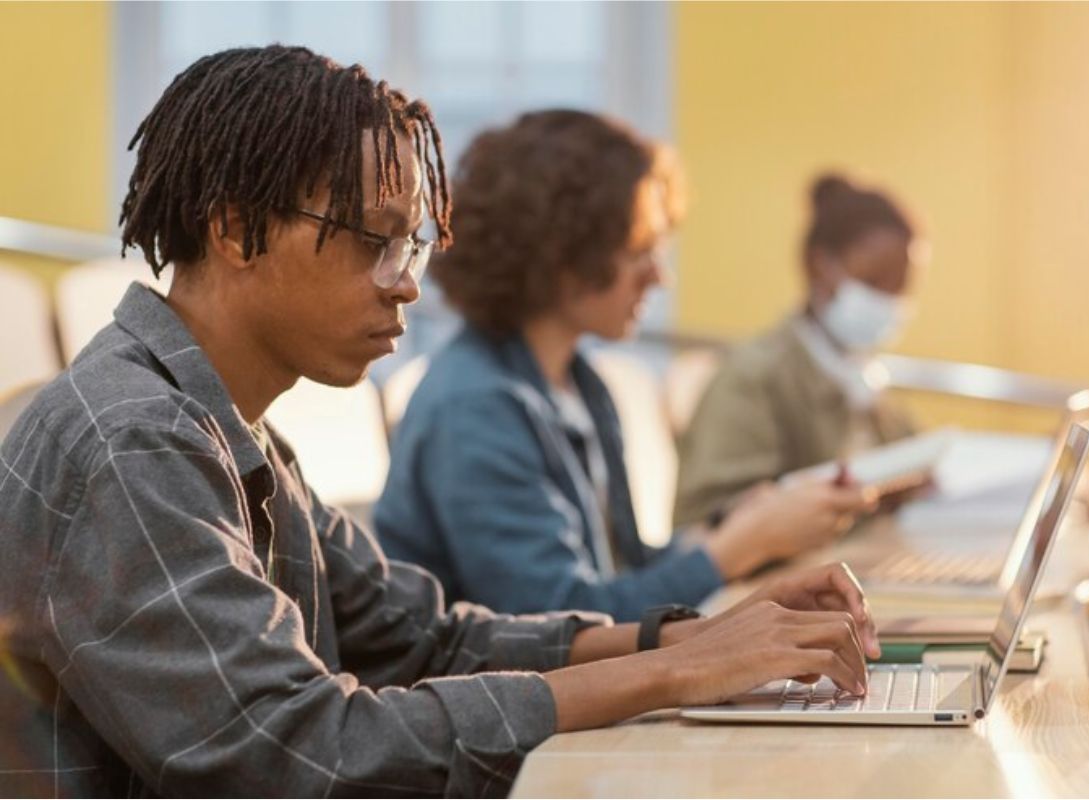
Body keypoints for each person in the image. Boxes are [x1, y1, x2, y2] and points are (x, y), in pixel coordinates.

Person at [0, 47, 881, 797]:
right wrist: (674, 671)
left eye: (411, 246)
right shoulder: (134, 441)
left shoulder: (227, 425)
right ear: (235, 230)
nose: (407, 282)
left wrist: (699, 636)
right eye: (371, 241)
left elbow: (427, 639)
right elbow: (299, 752)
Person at [373, 110, 872, 623]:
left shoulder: (581, 384)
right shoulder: (475, 407)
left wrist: (732, 530)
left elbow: (618, 573)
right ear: (561, 258)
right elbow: (563, 623)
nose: (660, 276)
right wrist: (731, 552)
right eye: (640, 251)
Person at [674, 174, 921, 528]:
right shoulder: (753, 378)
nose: (888, 301)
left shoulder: (864, 377)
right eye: (873, 281)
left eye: (901, 286)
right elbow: (706, 524)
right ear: (818, 265)